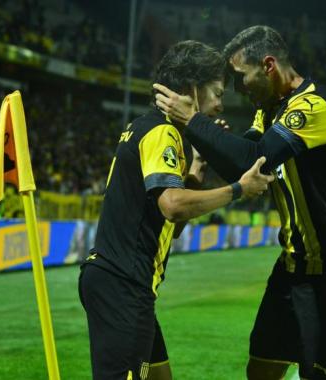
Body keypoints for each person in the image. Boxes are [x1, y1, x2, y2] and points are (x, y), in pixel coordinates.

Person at [154, 25, 326, 380]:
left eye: (240, 77)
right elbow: (237, 162)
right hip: (292, 266)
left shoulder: (315, 105)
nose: (237, 89)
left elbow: (255, 158)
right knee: (261, 370)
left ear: (268, 65)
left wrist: (193, 120)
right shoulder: (268, 111)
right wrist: (203, 141)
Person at [79, 40, 274, 380]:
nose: (219, 105)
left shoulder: (146, 128)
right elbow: (172, 206)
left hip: (119, 281)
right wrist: (239, 188)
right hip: (124, 285)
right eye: (215, 93)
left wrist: (197, 169)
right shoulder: (162, 133)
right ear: (190, 90)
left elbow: (170, 224)